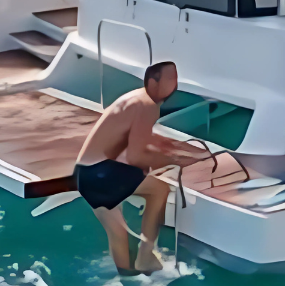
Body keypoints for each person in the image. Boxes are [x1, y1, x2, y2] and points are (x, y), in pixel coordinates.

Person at [73, 61, 205, 274]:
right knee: (159, 190)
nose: (175, 84)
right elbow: (136, 157)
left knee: (118, 233)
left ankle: (127, 279)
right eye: (170, 79)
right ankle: (145, 255)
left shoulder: (134, 98)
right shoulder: (147, 106)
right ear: (153, 82)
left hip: (84, 175)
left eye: (176, 78)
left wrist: (160, 154)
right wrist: (174, 161)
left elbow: (130, 142)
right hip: (102, 174)